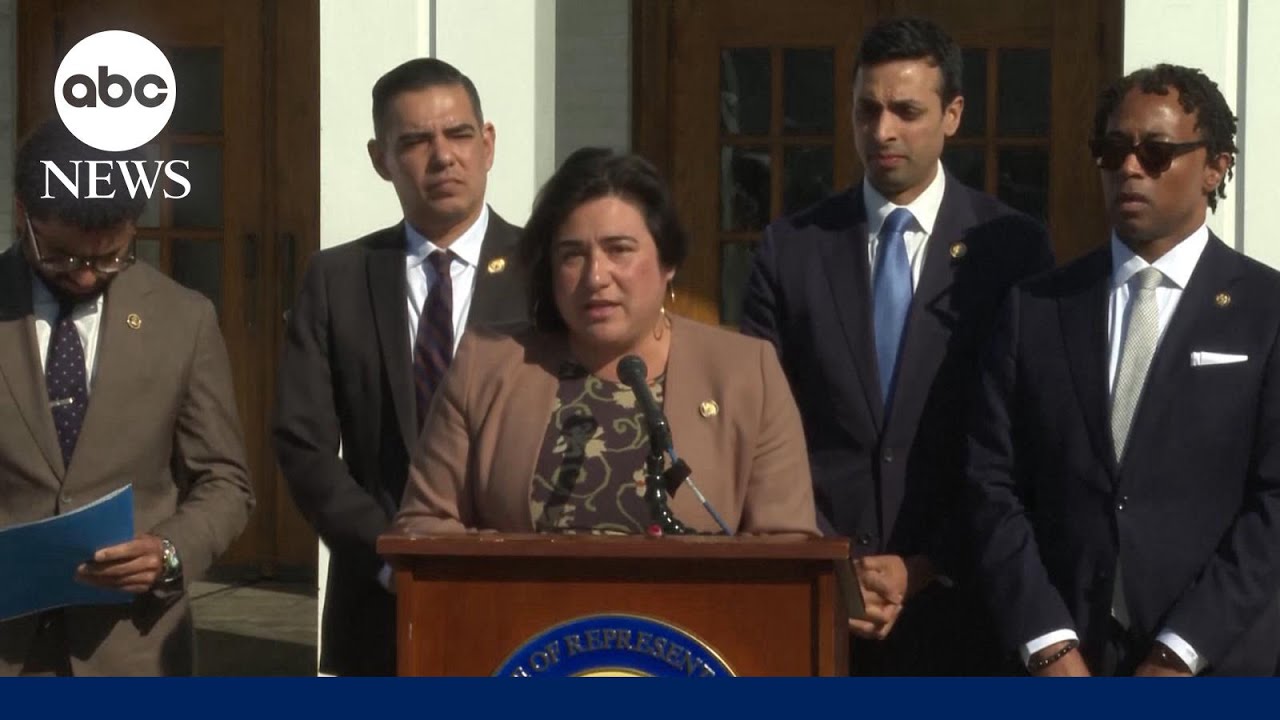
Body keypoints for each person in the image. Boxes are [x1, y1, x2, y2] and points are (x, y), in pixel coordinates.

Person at [739, 17, 1052, 675]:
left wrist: (926, 564)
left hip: (964, 611)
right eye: (867, 109)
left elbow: (1026, 438)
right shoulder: (792, 249)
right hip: (819, 604)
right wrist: (831, 560)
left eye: (906, 111)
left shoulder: (1012, 249)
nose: (882, 131)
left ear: (953, 115)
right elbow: (761, 427)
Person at [966, 63, 1280, 676]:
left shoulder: (1266, 311)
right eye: (1113, 151)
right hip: (1066, 660)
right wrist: (1047, 641)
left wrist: (1180, 651)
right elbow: (991, 482)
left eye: (1156, 153)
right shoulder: (1037, 308)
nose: (1130, 168)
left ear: (1215, 167)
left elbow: (1274, 505)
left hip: (1216, 664)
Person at [393, 148, 817, 539]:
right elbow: (422, 525)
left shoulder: (746, 373)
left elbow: (787, 542)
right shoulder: (486, 365)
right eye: (572, 255)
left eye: (619, 250)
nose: (595, 277)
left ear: (668, 261)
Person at [272, 57, 526, 676]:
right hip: (379, 604)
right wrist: (391, 554)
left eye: (459, 134)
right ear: (379, 158)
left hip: (520, 599)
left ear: (488, 144)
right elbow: (303, 443)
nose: (443, 157)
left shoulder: (546, 272)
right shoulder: (337, 278)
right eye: (415, 141)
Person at [0, 119, 254, 675]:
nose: (86, 277)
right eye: (63, 257)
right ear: (23, 213)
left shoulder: (184, 319)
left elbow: (225, 482)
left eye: (110, 257)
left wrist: (170, 552)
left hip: (134, 651)